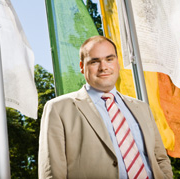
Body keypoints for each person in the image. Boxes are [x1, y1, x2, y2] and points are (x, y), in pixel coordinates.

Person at [38, 36, 173, 179]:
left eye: (109, 59)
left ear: (117, 62)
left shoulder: (141, 107)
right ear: (82, 67)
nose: (103, 67)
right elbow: (52, 170)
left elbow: (160, 158)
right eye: (94, 61)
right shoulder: (59, 109)